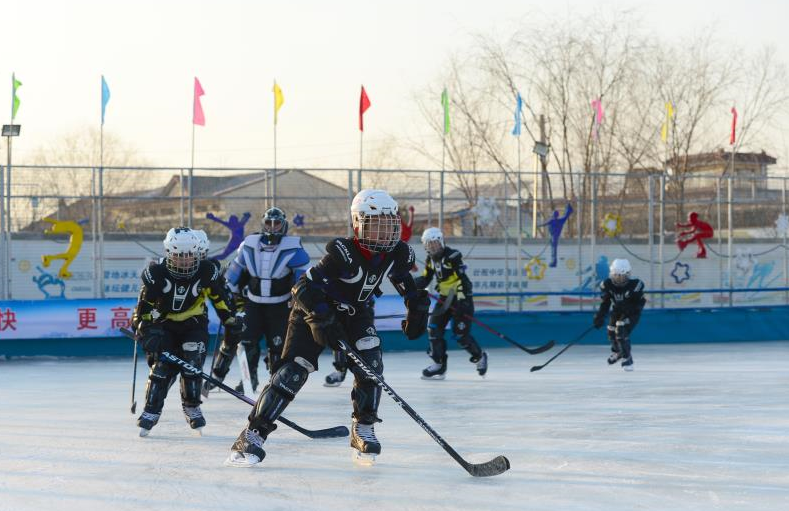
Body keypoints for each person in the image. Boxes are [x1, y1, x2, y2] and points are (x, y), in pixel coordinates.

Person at [227, 189, 430, 467]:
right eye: (377, 225)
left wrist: (416, 305)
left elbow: (402, 279)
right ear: (359, 224)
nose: (386, 233)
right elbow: (303, 288)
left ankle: (363, 428)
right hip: (312, 312)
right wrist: (321, 318)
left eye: (390, 225)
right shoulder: (342, 253)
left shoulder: (397, 253)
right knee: (293, 372)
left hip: (356, 314)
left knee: (371, 362)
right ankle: (252, 434)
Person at [131, 227, 245, 436]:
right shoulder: (156, 273)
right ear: (169, 254)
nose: (185, 261)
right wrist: (144, 329)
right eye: (178, 256)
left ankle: (192, 406)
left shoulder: (206, 270)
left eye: (189, 256)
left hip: (194, 323)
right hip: (164, 324)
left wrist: (229, 319)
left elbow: (219, 298)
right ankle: (151, 410)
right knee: (161, 368)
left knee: (192, 362)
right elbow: (143, 308)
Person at [206, 207, 311, 393]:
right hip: (253, 304)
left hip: (280, 305)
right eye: (268, 223)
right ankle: (249, 379)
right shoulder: (250, 244)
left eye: (276, 223)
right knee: (246, 342)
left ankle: (275, 383)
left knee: (278, 347)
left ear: (283, 225)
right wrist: (227, 289)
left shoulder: (293, 247)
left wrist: (298, 300)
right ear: (263, 224)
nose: (272, 227)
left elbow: (301, 278)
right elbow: (235, 272)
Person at [413, 227, 487, 380]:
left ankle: (480, 356)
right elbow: (426, 279)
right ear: (426, 246)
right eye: (430, 244)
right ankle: (439, 365)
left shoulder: (453, 256)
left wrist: (463, 303)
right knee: (433, 329)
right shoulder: (430, 261)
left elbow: (463, 281)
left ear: (441, 242)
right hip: (444, 298)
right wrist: (410, 284)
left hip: (461, 298)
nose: (434, 247)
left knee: (461, 335)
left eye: (436, 243)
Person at [592, 258, 645, 371]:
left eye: (623, 276)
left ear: (628, 275)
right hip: (617, 310)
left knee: (620, 328)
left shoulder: (635, 285)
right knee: (611, 330)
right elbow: (605, 303)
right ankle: (618, 352)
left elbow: (640, 303)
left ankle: (627, 358)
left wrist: (629, 308)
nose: (620, 279)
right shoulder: (607, 284)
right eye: (617, 276)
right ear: (612, 274)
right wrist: (599, 317)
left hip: (632, 312)